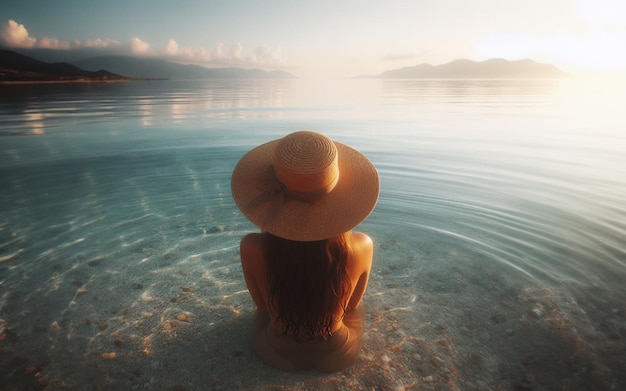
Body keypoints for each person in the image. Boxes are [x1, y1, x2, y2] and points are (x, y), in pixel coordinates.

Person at [231, 130, 379, 372]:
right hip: (339, 351)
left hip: (274, 351)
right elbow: (352, 308)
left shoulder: (252, 247)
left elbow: (262, 309)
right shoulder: (362, 245)